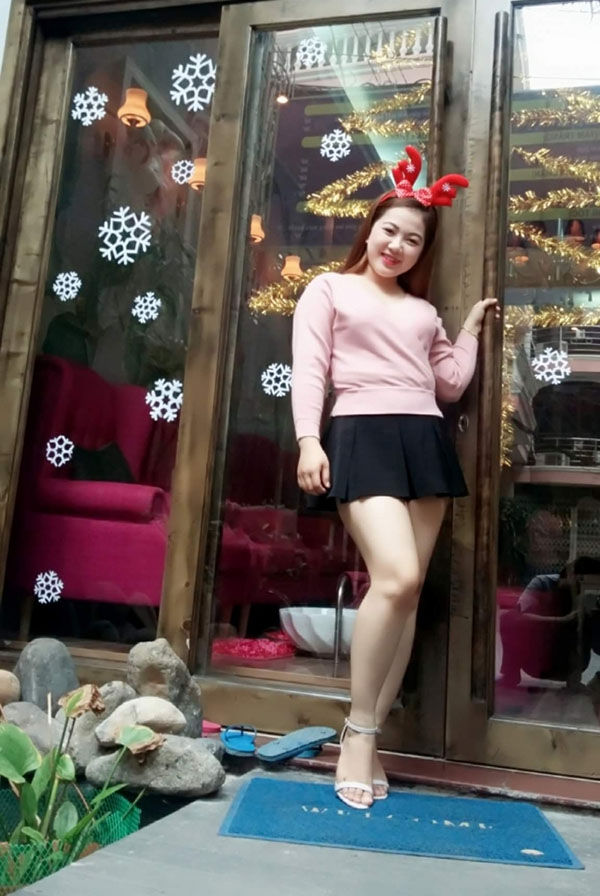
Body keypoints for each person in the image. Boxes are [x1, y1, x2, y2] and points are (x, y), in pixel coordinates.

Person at [291, 145, 500, 810]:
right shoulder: (328, 288)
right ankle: (358, 731)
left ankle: (370, 737)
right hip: (360, 433)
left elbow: (449, 384)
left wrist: (467, 330)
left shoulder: (421, 312)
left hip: (423, 440)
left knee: (405, 597)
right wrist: (308, 439)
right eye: (391, 231)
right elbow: (309, 369)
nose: (398, 246)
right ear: (371, 228)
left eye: (413, 240)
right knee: (399, 578)